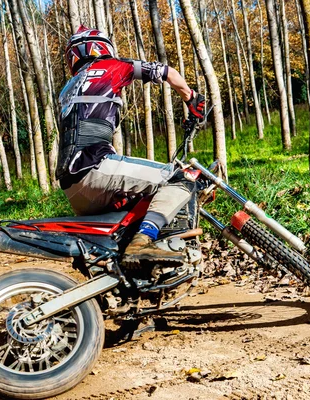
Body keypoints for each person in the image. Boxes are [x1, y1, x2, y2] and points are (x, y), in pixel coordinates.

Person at [57, 26, 206, 268]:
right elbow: (166, 72)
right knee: (180, 178)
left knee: (137, 205)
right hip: (95, 167)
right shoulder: (112, 66)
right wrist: (192, 98)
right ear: (102, 47)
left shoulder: (67, 89)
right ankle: (143, 241)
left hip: (72, 186)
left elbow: (81, 132)